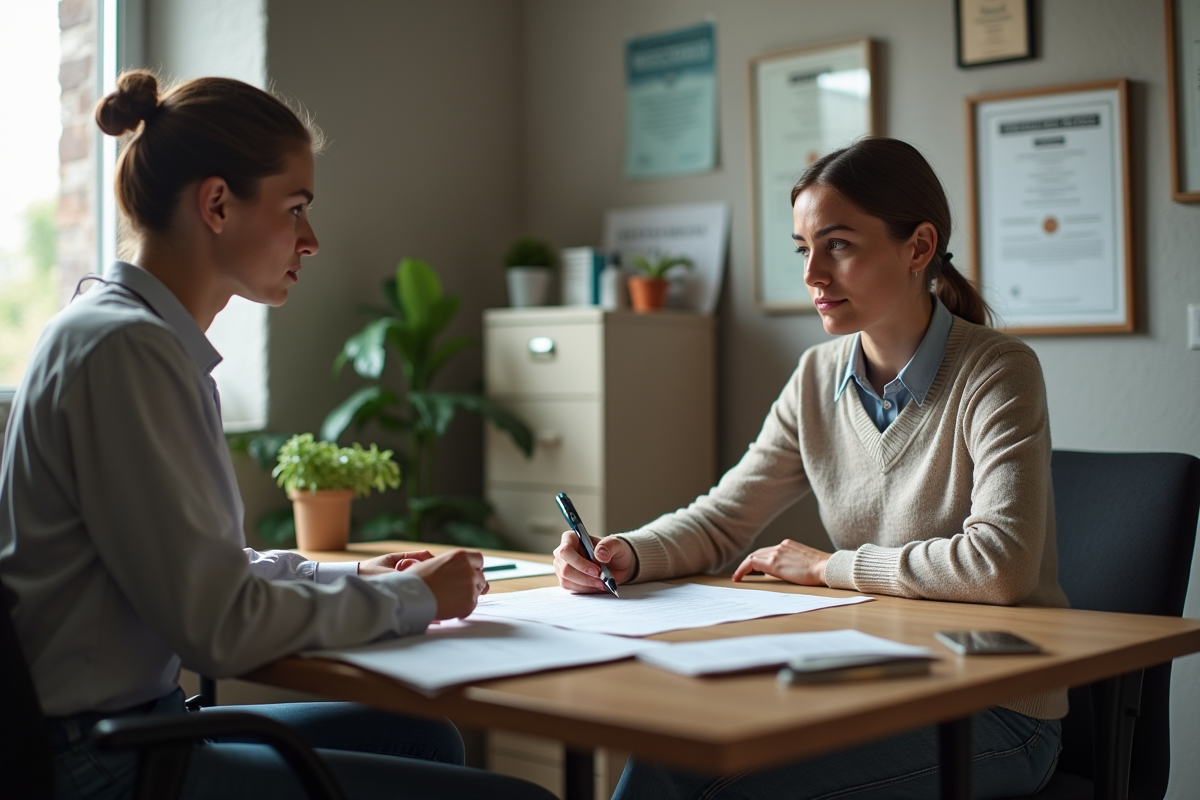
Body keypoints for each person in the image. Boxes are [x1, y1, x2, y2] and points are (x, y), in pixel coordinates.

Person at [0, 70, 553, 800]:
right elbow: (218, 625)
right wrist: (418, 601)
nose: (312, 239)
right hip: (101, 764)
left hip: (130, 728)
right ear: (218, 204)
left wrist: (359, 578)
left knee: (422, 735)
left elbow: (210, 568)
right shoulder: (127, 353)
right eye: (296, 209)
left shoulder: (126, 334)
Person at [554, 137, 1067, 800]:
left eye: (839, 246)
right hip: (871, 683)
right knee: (669, 757)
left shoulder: (998, 370)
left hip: (994, 711)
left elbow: (1001, 566)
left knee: (719, 783)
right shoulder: (816, 376)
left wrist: (828, 567)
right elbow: (721, 518)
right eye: (805, 248)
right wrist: (627, 552)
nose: (812, 275)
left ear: (917, 248)